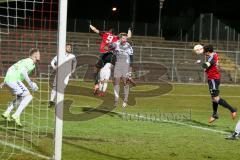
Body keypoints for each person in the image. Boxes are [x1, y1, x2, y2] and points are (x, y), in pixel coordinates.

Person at [1, 48, 40, 127]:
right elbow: (23, 72)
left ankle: (7, 112)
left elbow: (13, 68)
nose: (40, 55)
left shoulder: (24, 60)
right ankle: (16, 115)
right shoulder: (30, 62)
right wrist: (31, 84)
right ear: (35, 55)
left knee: (21, 96)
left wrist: (5, 81)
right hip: (14, 80)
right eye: (39, 54)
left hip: (10, 79)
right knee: (29, 96)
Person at [89, 24, 132, 94]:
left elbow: (94, 29)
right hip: (112, 55)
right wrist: (129, 29)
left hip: (104, 54)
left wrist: (90, 25)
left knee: (96, 70)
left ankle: (96, 84)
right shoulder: (117, 37)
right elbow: (129, 36)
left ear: (109, 31)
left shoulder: (105, 34)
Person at [201, 45, 237, 123]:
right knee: (213, 98)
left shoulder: (212, 58)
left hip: (213, 79)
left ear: (208, 51)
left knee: (216, 98)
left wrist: (203, 64)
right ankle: (215, 114)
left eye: (204, 51)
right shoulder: (214, 54)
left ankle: (232, 110)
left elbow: (206, 65)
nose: (203, 53)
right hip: (212, 79)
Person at [112, 33, 134, 107]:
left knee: (125, 83)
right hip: (118, 65)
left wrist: (130, 71)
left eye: (126, 38)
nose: (125, 40)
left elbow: (131, 59)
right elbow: (111, 50)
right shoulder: (116, 44)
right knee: (116, 82)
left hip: (126, 66)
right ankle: (116, 100)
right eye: (123, 38)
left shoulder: (128, 46)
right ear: (120, 38)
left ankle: (125, 100)